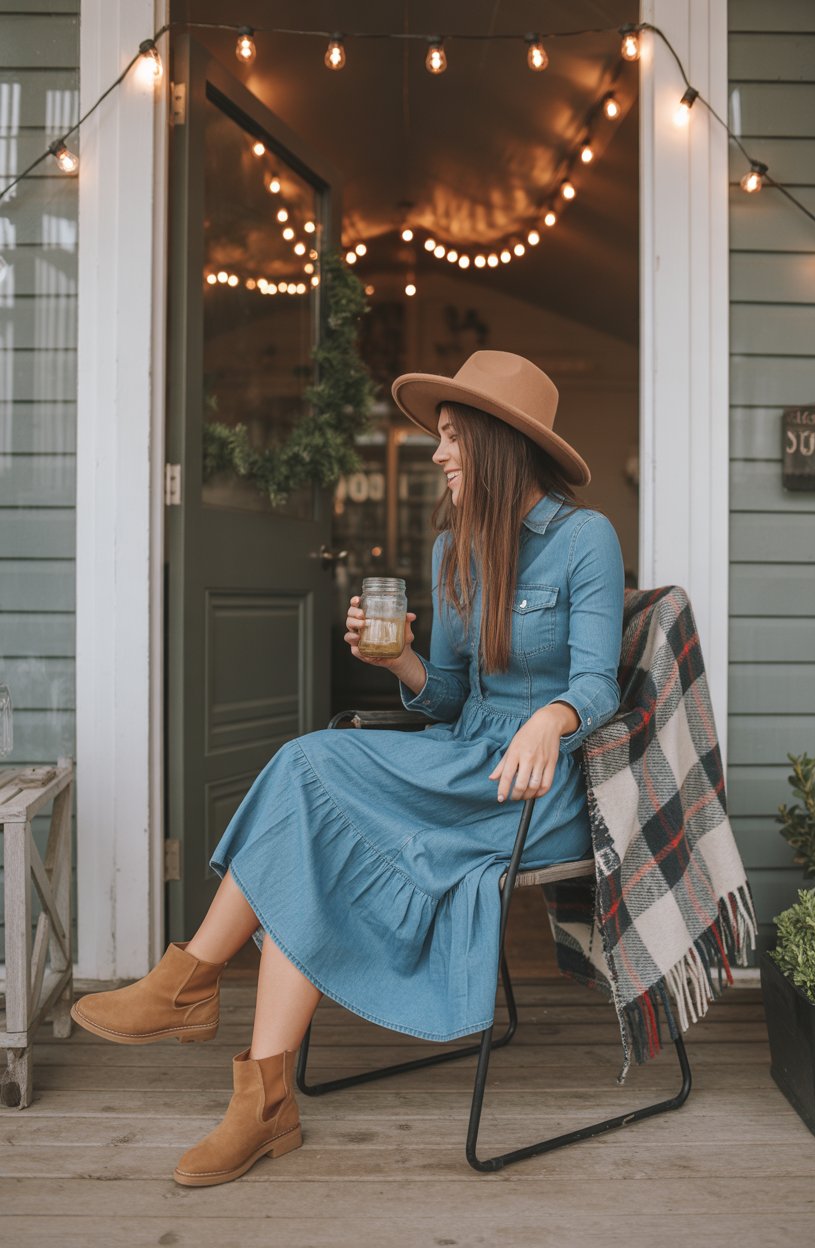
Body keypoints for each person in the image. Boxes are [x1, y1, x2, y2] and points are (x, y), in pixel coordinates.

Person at [71, 349, 625, 1187]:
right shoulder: (453, 550)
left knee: (307, 768)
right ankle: (261, 1100)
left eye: (450, 438)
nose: (438, 454)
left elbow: (596, 686)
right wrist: (400, 660)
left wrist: (553, 717)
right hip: (459, 758)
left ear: (499, 442)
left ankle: (191, 985)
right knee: (309, 810)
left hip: (532, 789)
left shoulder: (585, 540)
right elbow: (442, 699)